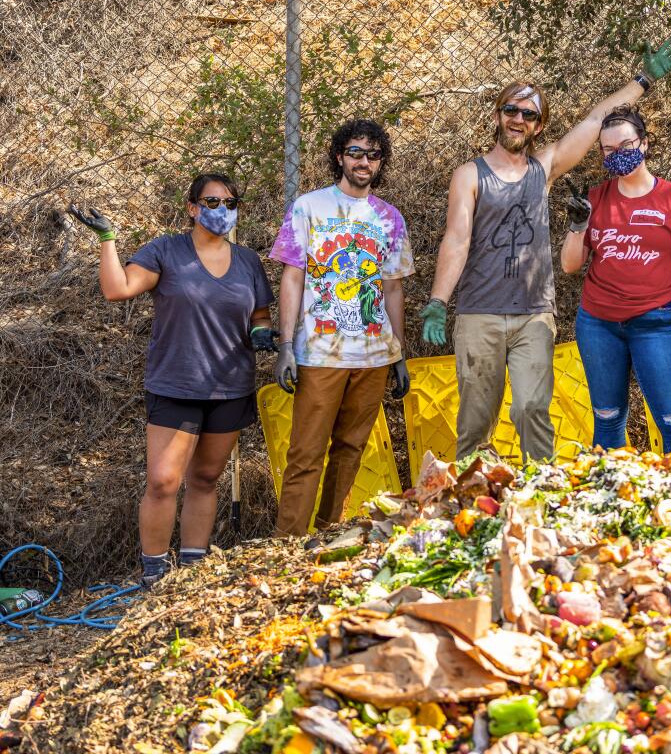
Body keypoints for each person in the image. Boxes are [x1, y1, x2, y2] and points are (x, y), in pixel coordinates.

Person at [419, 40, 671, 462]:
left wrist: (644, 80)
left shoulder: (544, 169)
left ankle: (538, 502)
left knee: (531, 410)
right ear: (497, 116)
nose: (518, 119)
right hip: (479, 312)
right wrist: (437, 301)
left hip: (533, 314)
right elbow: (457, 238)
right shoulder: (470, 174)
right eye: (511, 110)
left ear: (538, 126)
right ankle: (473, 510)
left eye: (529, 114)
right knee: (475, 423)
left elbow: (596, 119)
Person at [67, 174, 275, 587]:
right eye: (211, 202)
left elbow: (259, 315)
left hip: (231, 384)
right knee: (163, 481)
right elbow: (118, 289)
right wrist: (107, 239)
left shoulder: (249, 261)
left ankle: (192, 573)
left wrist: (262, 332)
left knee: (205, 478)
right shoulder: (167, 250)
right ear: (192, 207)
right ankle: (155, 576)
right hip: (176, 383)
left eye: (230, 203)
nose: (221, 211)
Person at [270, 118, 414, 536]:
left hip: (372, 355)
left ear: (380, 161)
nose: (363, 161)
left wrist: (398, 353)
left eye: (372, 154)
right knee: (306, 453)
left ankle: (326, 533)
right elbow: (292, 278)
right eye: (355, 152)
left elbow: (393, 290)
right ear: (339, 157)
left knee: (350, 450)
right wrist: (284, 344)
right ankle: (287, 543)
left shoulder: (389, 218)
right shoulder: (309, 208)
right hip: (319, 351)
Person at [560, 106, 671, 460]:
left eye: (625, 145)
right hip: (599, 324)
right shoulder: (595, 198)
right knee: (608, 420)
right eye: (608, 150)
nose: (617, 155)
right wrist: (577, 225)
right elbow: (570, 266)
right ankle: (612, 503)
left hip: (656, 323)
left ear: (643, 144)